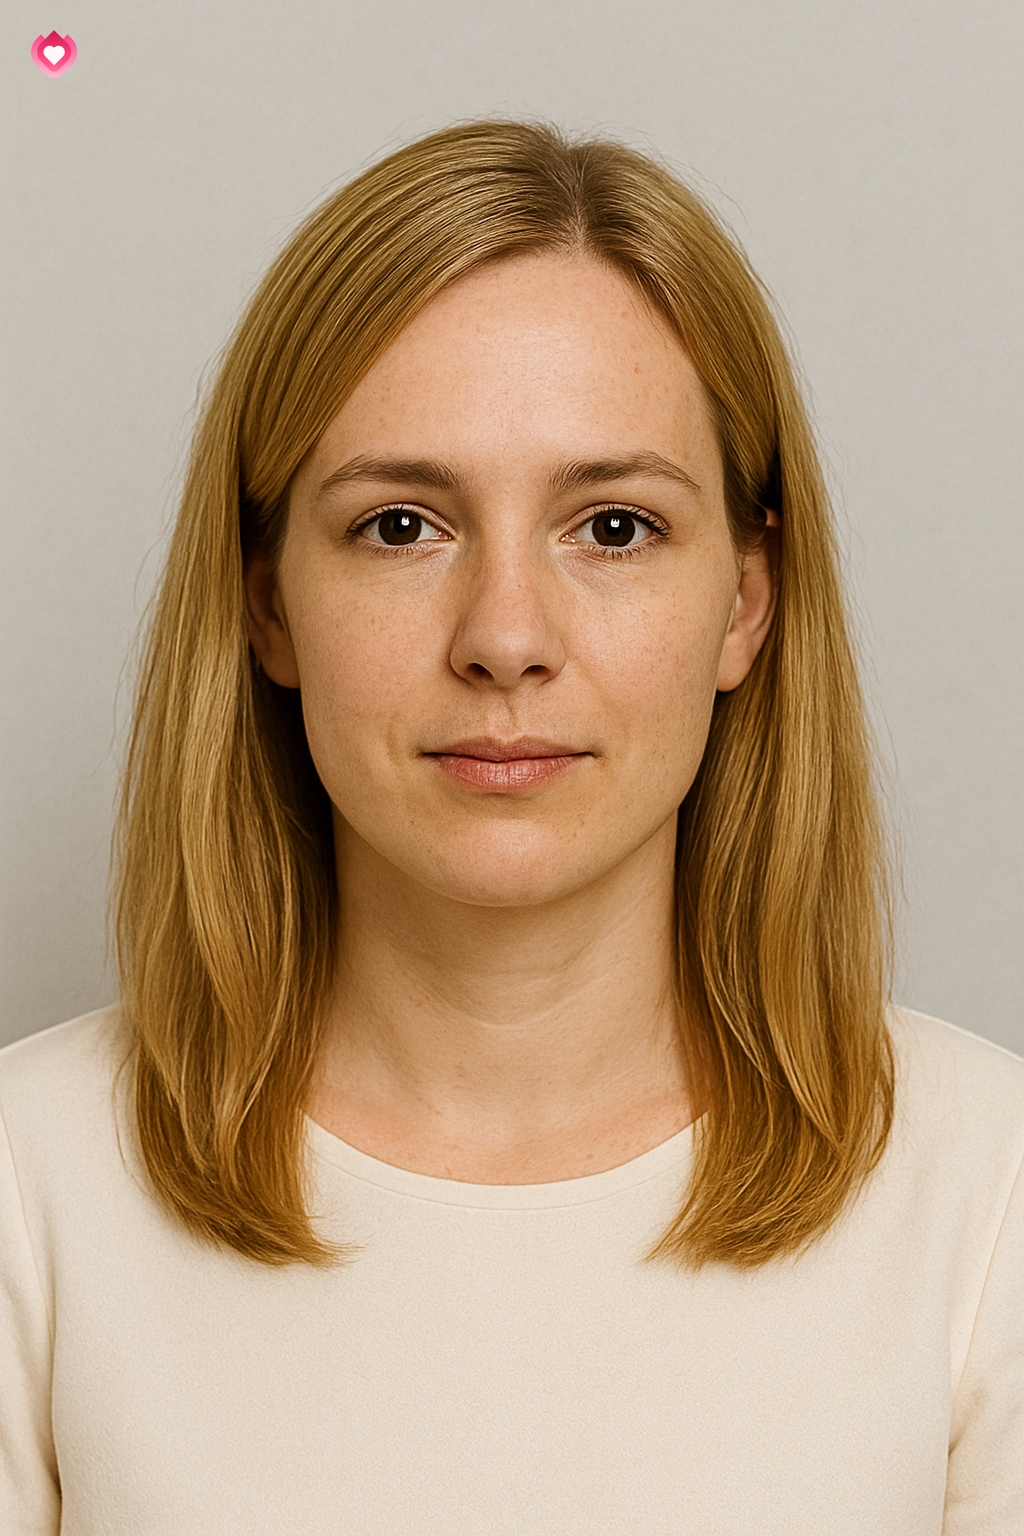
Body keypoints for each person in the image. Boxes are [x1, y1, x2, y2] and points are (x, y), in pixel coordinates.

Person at [1, 120, 1021, 1534]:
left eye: (613, 527)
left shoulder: (989, 1195)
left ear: (746, 603)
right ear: (268, 603)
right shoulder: (28, 1185)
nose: (504, 638)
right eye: (400, 526)